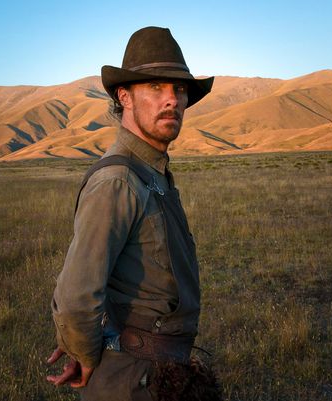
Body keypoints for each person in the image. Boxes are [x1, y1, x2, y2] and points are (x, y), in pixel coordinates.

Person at [46, 26, 220, 401]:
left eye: (179, 89)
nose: (172, 100)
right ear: (124, 96)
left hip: (157, 375)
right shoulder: (118, 181)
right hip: (131, 382)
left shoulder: (152, 171)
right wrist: (87, 353)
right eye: (156, 88)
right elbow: (76, 296)